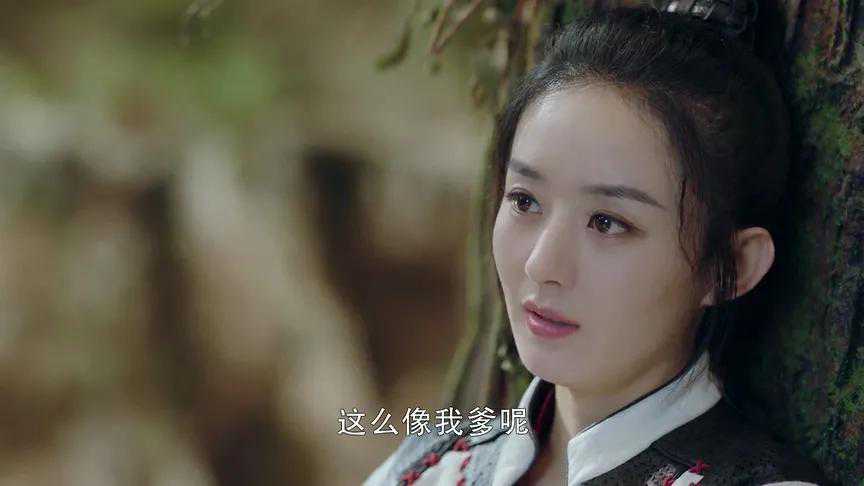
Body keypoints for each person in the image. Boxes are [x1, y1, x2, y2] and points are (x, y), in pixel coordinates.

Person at [365, 3, 831, 485]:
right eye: (525, 201)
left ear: (731, 265)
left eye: (607, 223)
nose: (541, 264)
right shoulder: (429, 470)